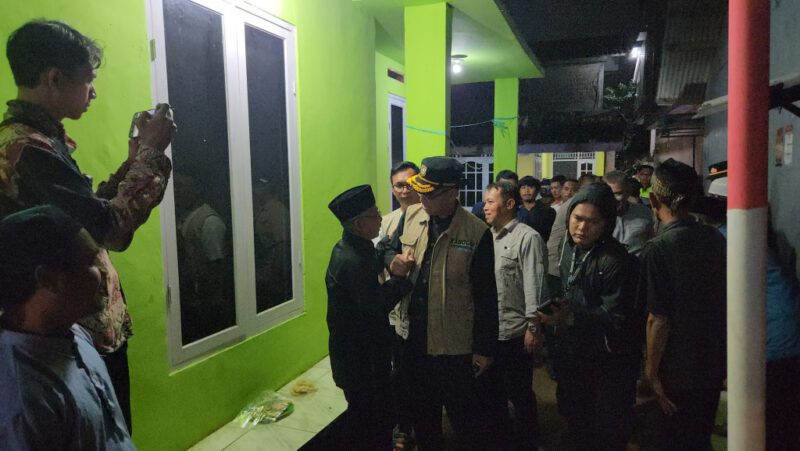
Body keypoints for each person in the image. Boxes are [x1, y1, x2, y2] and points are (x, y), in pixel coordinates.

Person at [0, 20, 175, 431]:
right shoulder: (27, 150)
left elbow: (90, 216)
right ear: (54, 78)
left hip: (71, 331)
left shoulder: (35, 143)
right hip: (66, 335)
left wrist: (133, 162)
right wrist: (151, 152)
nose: (93, 92)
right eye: (88, 79)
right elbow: (109, 230)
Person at [382, 156, 500, 450]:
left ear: (452, 193)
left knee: (464, 420)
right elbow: (385, 248)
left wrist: (484, 349)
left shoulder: (476, 233)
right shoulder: (411, 215)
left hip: (454, 347)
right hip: (413, 340)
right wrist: (393, 261)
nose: (421, 198)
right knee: (423, 416)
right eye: (419, 191)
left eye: (429, 194)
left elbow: (486, 296)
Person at [0, 205, 134, 450]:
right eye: (91, 261)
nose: (105, 272)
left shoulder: (74, 333)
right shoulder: (20, 402)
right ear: (49, 279)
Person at [538, 183, 642, 450]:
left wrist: (571, 316)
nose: (582, 228)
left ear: (606, 224)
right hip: (574, 357)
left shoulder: (615, 259)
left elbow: (616, 318)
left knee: (605, 432)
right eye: (577, 218)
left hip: (608, 364)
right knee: (574, 421)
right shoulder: (568, 248)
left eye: (592, 222)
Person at [703, 178, 800, 450]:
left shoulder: (726, 240)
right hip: (786, 339)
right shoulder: (752, 237)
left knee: (769, 426)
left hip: (772, 345)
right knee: (784, 424)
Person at [640, 159, 726, 450]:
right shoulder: (715, 238)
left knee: (672, 439)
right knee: (699, 438)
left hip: (676, 370)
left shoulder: (659, 248)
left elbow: (658, 319)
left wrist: (652, 373)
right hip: (712, 364)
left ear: (654, 199)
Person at [323, 185, 413, 450]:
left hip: (364, 356)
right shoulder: (349, 261)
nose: (381, 218)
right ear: (360, 224)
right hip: (359, 361)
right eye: (375, 215)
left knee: (371, 417)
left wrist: (389, 257)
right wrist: (401, 279)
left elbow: (375, 257)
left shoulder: (356, 247)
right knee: (368, 422)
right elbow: (375, 306)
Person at [484, 182, 547, 450]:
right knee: (493, 392)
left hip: (515, 331)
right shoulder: (486, 236)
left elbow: (535, 285)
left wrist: (533, 328)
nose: (485, 207)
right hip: (491, 331)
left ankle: (528, 441)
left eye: (490, 201)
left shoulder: (527, 238)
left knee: (520, 393)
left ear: (509, 204)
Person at [173, 173, 232, 344]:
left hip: (203, 303)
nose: (176, 190)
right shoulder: (182, 216)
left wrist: (207, 304)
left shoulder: (210, 222)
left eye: (181, 185)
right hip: (187, 300)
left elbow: (217, 266)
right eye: (174, 186)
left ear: (197, 189)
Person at [605, 170, 654, 255]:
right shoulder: (596, 217)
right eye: (609, 194)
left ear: (628, 192)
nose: (613, 199)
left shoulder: (644, 213)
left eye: (618, 194)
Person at [382, 161, 421, 239]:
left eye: (410, 185)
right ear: (393, 190)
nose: (405, 191)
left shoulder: (432, 217)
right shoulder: (384, 223)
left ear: (420, 185)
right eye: (399, 186)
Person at [519, 175, 556, 242]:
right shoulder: (515, 212)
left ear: (537, 190)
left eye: (531, 187)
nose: (527, 191)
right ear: (519, 191)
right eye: (523, 188)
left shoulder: (548, 211)